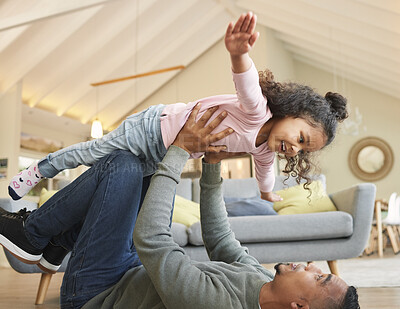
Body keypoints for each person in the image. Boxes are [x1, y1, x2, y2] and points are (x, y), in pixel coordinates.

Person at [0, 106, 359, 309]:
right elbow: (219, 237)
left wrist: (182, 150)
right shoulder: (266, 280)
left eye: (319, 277)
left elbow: (153, 242)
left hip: (96, 294)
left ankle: (32, 235)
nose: (312, 266)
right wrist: (213, 165)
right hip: (131, 273)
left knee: (122, 164)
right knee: (138, 165)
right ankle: (54, 241)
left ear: (299, 306)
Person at [8, 12, 348, 203]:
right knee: (94, 152)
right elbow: (244, 81)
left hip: (168, 154)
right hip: (152, 129)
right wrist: (238, 54)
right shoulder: (257, 110)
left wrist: (266, 191)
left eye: (301, 150)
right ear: (290, 113)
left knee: (123, 188)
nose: (293, 148)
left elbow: (265, 171)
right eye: (301, 137)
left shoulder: (263, 150)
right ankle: (41, 169)